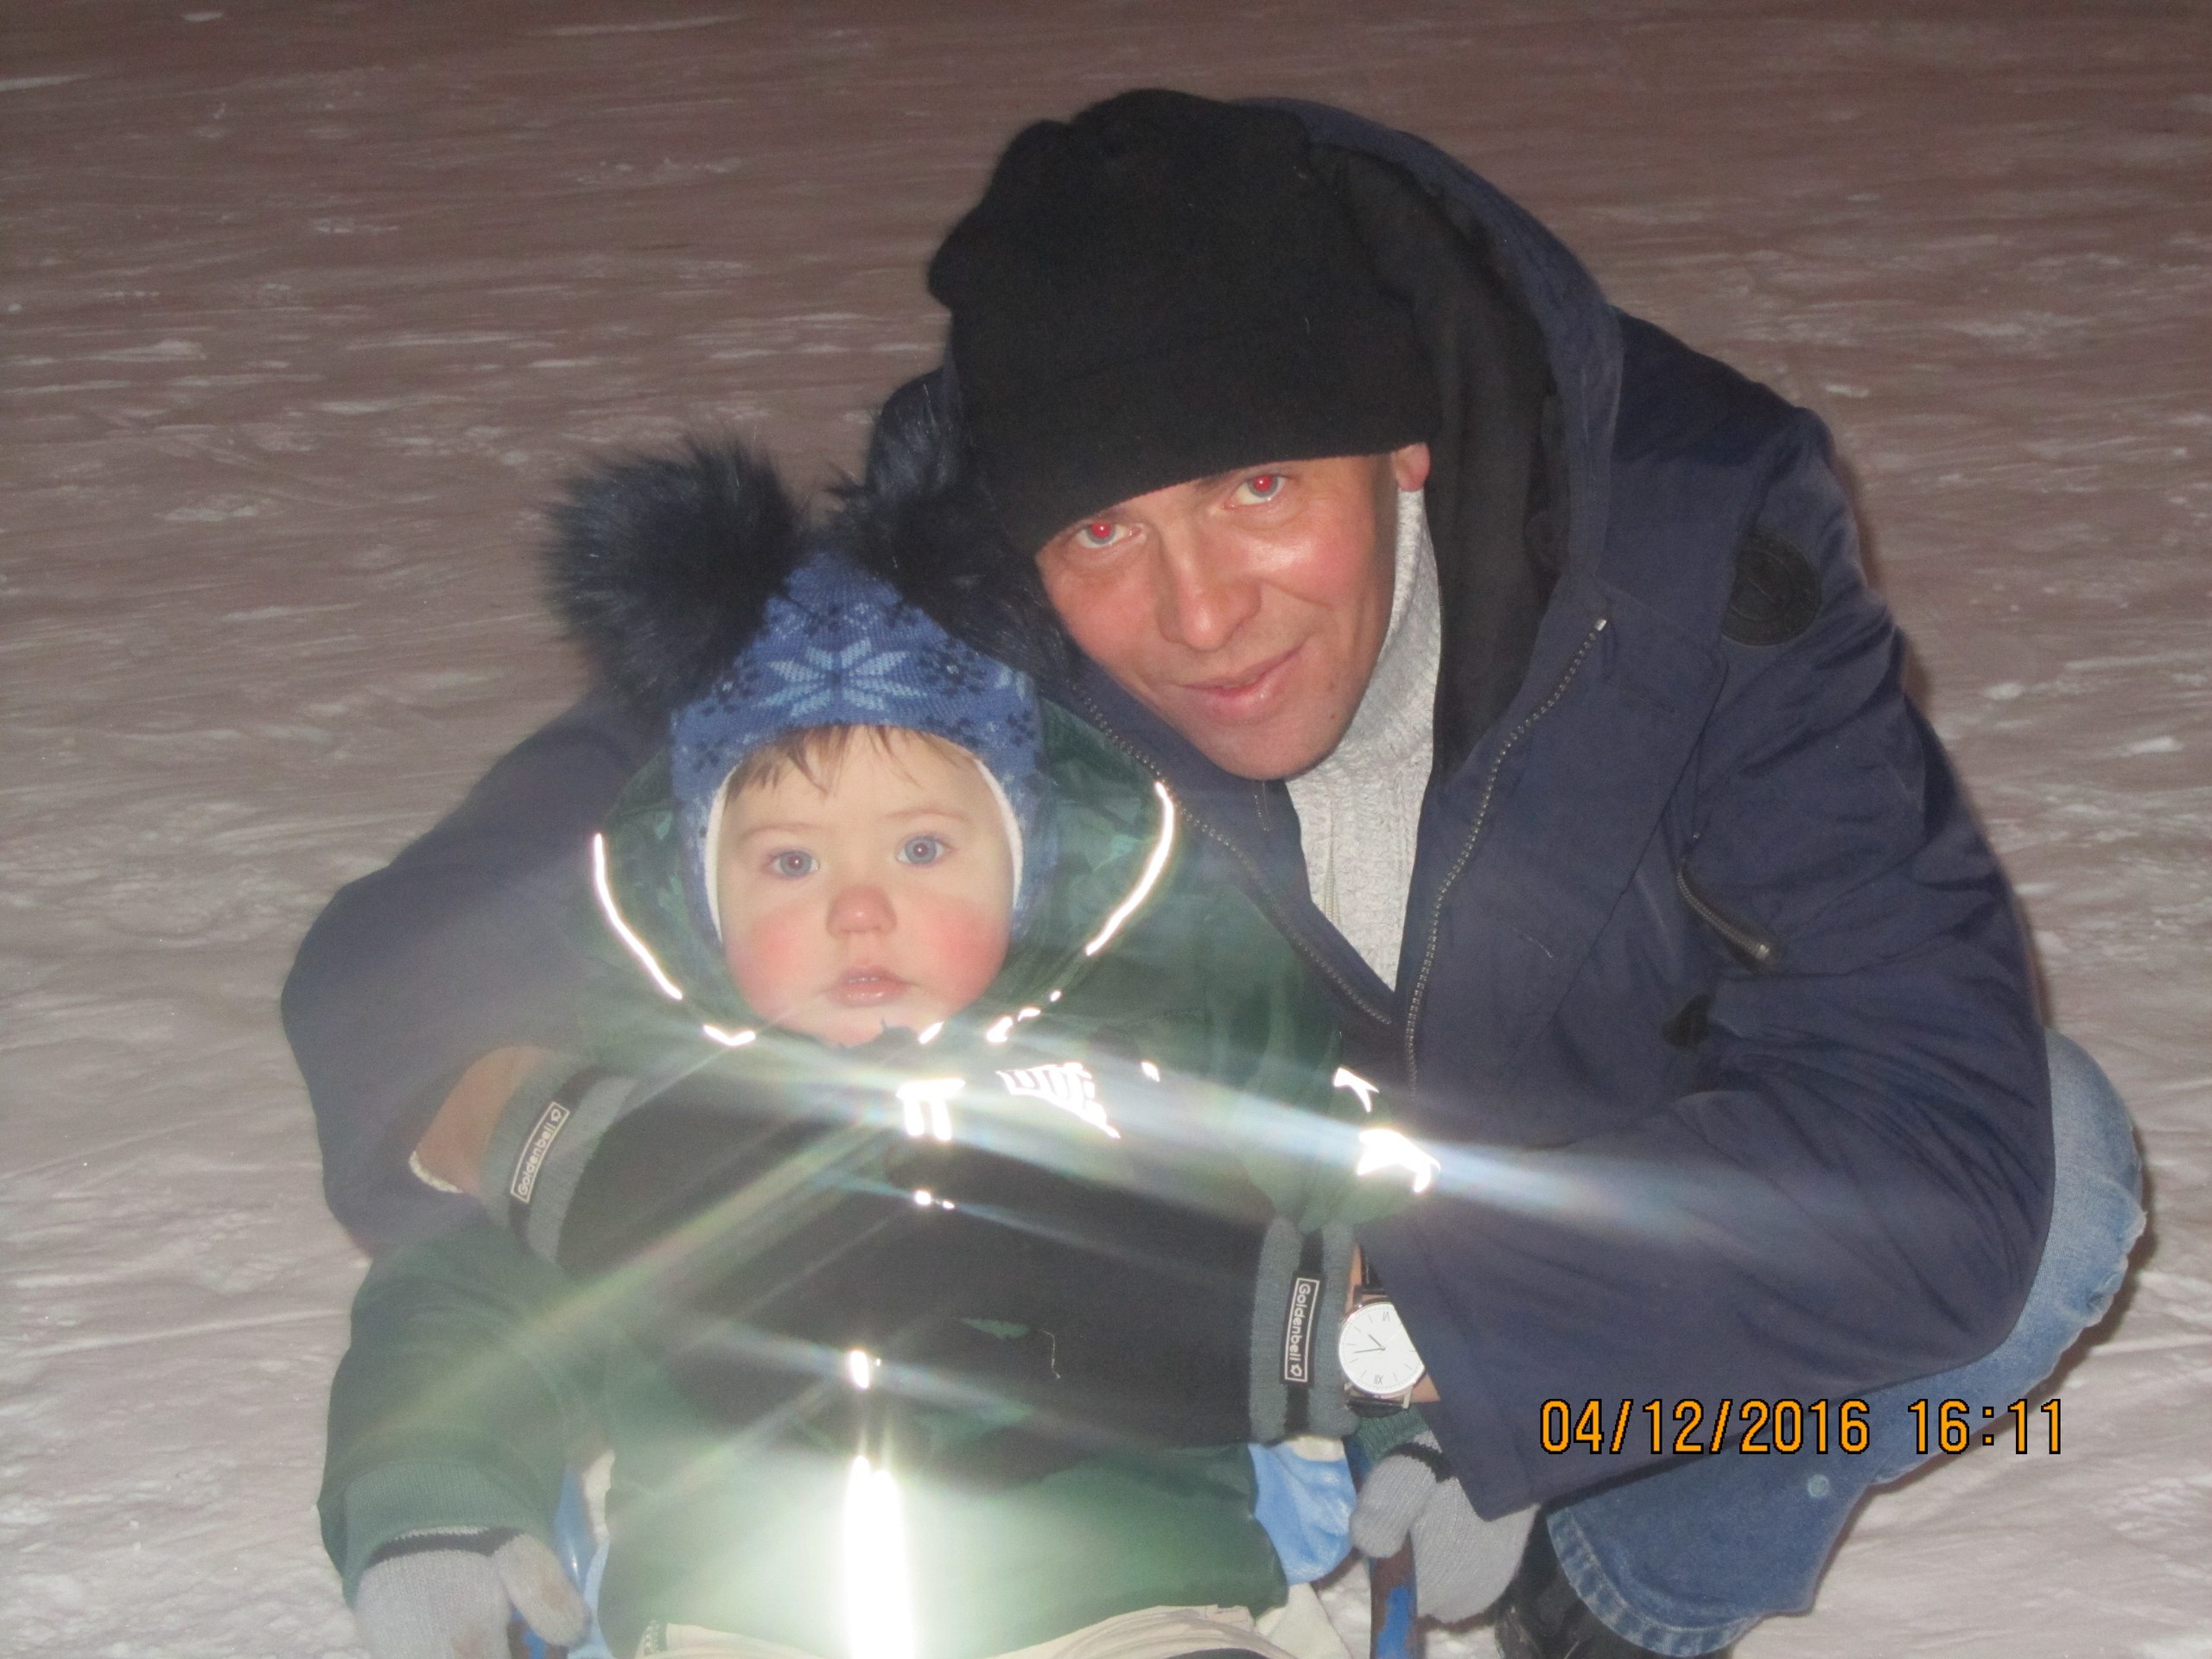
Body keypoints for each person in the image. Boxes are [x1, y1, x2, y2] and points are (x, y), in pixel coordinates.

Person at [284, 92, 2145, 1657]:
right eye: (1105, 530)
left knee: (2048, 1183)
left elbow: (1935, 1147)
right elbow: (435, 939)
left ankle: (1614, 1605)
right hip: (1186, 1215)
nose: (1196, 615)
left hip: (1574, 1248)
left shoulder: (1687, 550)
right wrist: (559, 1131)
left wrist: (1368, 1337)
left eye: (1259, 492)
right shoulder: (957, 607)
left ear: (1401, 445)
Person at [319, 437, 1455, 1659]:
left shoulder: (1151, 1061)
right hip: (735, 1624)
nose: (858, 911)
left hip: (1130, 1611)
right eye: (789, 861)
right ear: (702, 895)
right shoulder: (643, 1116)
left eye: (921, 850)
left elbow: (1377, 1228)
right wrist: (429, 1502)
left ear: (1022, 867)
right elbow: (465, 1309)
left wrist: (1456, 1444)